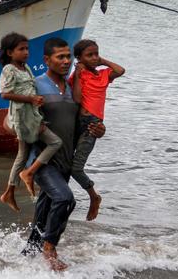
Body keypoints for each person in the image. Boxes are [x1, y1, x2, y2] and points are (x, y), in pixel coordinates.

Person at [21, 37, 106, 271]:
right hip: (41, 160)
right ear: (47, 60)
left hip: (65, 161)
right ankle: (50, 248)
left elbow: (78, 124)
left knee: (44, 212)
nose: (66, 61)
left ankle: (27, 258)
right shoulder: (35, 85)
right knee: (65, 199)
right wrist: (31, 127)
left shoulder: (73, 89)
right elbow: (10, 121)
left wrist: (98, 130)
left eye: (68, 56)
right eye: (60, 57)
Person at [0, 33, 62, 212]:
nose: (26, 52)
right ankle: (28, 173)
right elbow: (5, 94)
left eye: (27, 48)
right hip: (23, 117)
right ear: (10, 52)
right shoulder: (9, 69)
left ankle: (9, 191)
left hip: (31, 114)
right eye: (21, 49)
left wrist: (36, 102)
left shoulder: (26, 68)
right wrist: (31, 99)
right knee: (55, 142)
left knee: (22, 154)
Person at [70, 39, 125, 220]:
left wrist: (103, 61)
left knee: (76, 168)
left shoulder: (103, 75)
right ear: (79, 58)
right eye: (89, 55)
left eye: (96, 54)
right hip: (78, 122)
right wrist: (78, 74)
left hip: (93, 125)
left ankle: (94, 196)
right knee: (66, 163)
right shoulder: (79, 75)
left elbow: (120, 71)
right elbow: (77, 99)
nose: (94, 58)